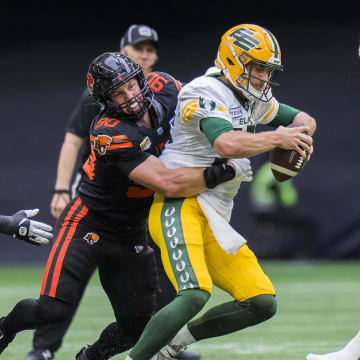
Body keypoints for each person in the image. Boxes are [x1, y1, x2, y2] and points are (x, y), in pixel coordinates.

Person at [0, 52, 241, 360]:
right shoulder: (108, 131)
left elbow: (203, 105)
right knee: (52, 309)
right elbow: (165, 182)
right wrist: (224, 171)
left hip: (133, 231)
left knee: (136, 326)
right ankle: (5, 328)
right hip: (90, 222)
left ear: (141, 78)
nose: (130, 96)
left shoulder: (166, 86)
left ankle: (91, 357)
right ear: (106, 99)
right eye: (118, 92)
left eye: (131, 85)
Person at [116, 23, 317, 360]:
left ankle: (174, 341)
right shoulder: (204, 90)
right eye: (259, 68)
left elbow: (305, 118)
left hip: (214, 212)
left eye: (269, 71)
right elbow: (226, 142)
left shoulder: (254, 97)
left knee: (260, 302)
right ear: (234, 62)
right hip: (178, 203)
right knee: (194, 294)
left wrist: (300, 133)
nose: (264, 78)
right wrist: (280, 138)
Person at [40, 23, 200, 360]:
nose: (144, 54)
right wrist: (59, 189)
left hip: (148, 204)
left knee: (165, 280)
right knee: (66, 286)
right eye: (137, 48)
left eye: (149, 49)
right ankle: (43, 350)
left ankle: (159, 344)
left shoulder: (167, 87)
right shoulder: (99, 102)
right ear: (122, 52)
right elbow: (73, 141)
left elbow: (199, 111)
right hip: (104, 198)